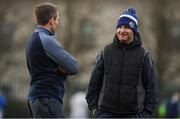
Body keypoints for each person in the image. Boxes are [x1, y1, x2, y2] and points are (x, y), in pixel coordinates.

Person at [85, 7, 159, 118]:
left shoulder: (144, 56)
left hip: (134, 115)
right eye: (119, 27)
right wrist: (95, 109)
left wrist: (145, 114)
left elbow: (151, 88)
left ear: (133, 30)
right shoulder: (105, 52)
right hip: (105, 114)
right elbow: (93, 84)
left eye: (126, 27)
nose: (121, 30)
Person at [26, 3, 79, 118]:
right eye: (57, 19)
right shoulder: (46, 40)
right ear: (51, 20)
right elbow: (74, 66)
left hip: (38, 98)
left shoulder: (33, 39)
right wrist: (63, 69)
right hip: (47, 99)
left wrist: (60, 70)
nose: (58, 23)